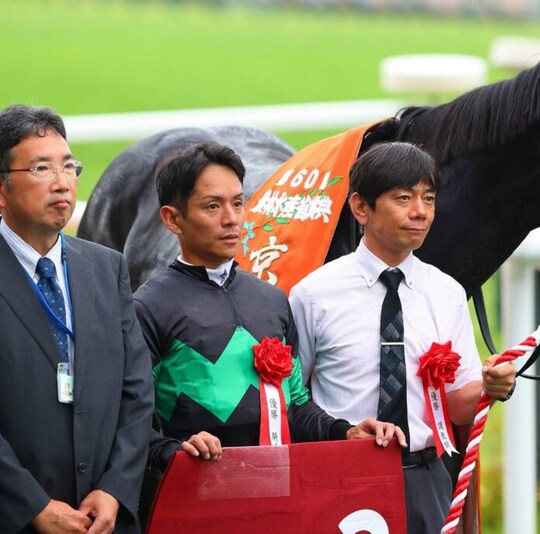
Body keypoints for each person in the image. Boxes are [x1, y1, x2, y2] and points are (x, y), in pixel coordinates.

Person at [133, 142, 405, 521]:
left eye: (238, 203)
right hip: (193, 505)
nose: (232, 219)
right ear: (173, 219)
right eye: (212, 207)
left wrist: (345, 432)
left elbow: (295, 406)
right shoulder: (147, 307)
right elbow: (128, 425)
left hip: (276, 502)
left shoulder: (272, 300)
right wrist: (174, 450)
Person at [289, 141, 517, 533]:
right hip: (342, 477)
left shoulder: (446, 293)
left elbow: (457, 406)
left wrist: (490, 387)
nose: (420, 212)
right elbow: (292, 398)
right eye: (403, 198)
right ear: (361, 207)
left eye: (429, 198)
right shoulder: (314, 294)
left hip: (426, 481)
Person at [0, 104, 154, 533]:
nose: (62, 182)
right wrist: (31, 505)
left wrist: (114, 490)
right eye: (41, 168)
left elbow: (137, 390)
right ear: (2, 189)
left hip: (100, 517)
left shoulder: (107, 267)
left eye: (69, 167)